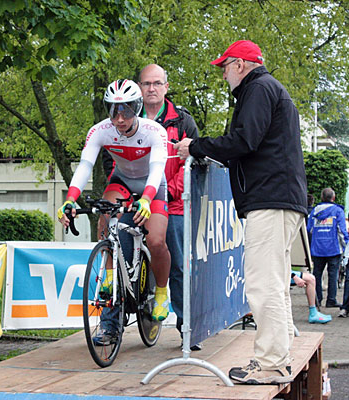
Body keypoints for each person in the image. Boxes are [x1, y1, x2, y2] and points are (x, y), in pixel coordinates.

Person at [174, 39, 307, 385]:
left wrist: (196, 146)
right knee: (274, 283)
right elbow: (250, 143)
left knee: (263, 284)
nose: (222, 75)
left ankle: (272, 364)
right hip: (279, 198)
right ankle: (279, 356)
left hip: (270, 199)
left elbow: (243, 140)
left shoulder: (259, 89)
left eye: (224, 67)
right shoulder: (268, 89)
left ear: (239, 65)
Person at [57, 79, 172, 337]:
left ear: (138, 107)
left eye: (128, 109)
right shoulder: (100, 130)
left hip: (152, 185)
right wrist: (71, 198)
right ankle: (109, 276)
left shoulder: (154, 131)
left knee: (155, 241)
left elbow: (156, 170)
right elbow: (85, 165)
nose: (120, 118)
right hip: (122, 180)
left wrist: (146, 199)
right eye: (114, 110)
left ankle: (162, 291)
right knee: (104, 217)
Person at [102, 64, 201, 349]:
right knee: (116, 250)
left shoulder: (182, 120)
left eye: (157, 83)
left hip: (173, 202)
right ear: (139, 87)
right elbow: (112, 162)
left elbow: (190, 164)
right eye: (146, 84)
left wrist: (170, 193)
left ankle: (187, 329)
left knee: (178, 265)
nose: (152, 89)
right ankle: (110, 326)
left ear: (166, 87)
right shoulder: (124, 117)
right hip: (135, 199)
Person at [307, 188, 349, 308]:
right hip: (333, 248)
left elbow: (309, 229)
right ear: (333, 198)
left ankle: (317, 299)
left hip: (317, 248)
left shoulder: (314, 211)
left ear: (321, 198)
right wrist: (346, 244)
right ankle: (331, 300)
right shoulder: (337, 211)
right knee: (333, 275)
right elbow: (341, 230)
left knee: (317, 275)